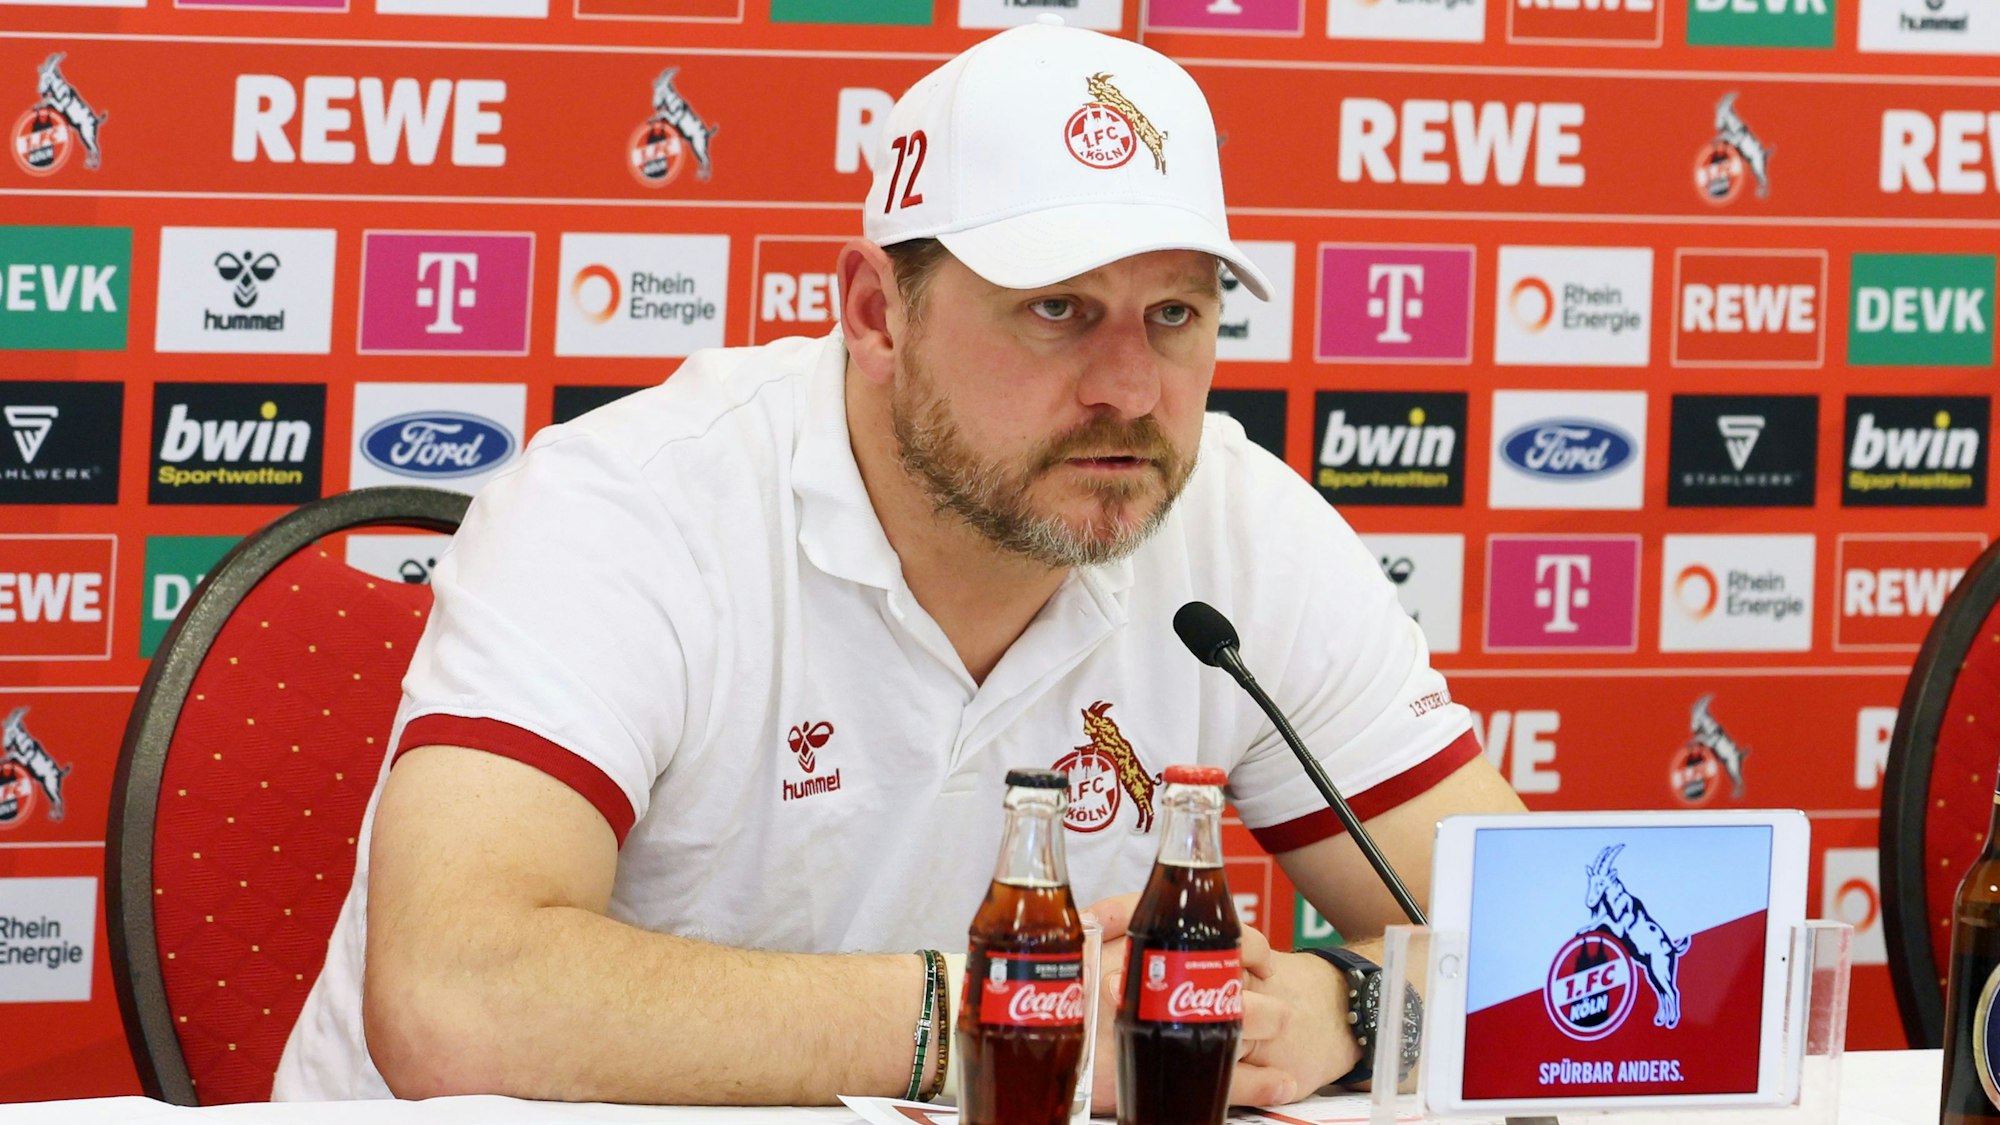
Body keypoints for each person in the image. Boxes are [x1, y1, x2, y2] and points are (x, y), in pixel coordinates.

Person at [272, 18, 1524, 1107]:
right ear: (877, 314)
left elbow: (1551, 943)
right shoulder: (629, 505)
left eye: (1175, 314)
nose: (1129, 389)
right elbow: (457, 993)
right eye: (1057, 309)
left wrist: (1354, 1011)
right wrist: (991, 1012)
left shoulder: (1240, 527)